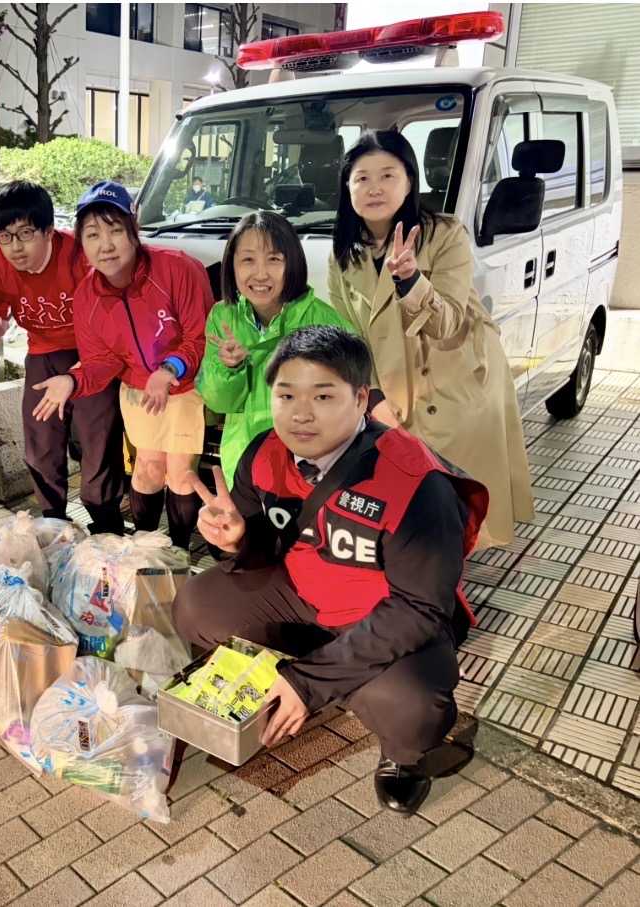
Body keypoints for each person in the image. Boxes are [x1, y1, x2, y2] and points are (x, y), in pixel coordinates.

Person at [172, 325, 488, 816]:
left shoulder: (415, 481)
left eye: (323, 396)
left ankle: (402, 757)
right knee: (196, 605)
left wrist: (309, 683)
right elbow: (263, 549)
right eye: (286, 395)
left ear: (361, 399)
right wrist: (236, 540)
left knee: (414, 705)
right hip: (302, 594)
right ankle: (318, 671)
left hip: (383, 618)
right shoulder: (264, 453)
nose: (301, 413)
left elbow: (419, 609)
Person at [327, 129, 533, 548]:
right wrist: (374, 395)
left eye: (388, 175)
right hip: (392, 389)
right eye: (362, 178)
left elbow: (448, 323)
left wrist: (410, 279)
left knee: (456, 499)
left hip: (453, 381)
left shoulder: (445, 234)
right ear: (347, 188)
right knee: (408, 494)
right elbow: (351, 337)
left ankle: (449, 569)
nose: (374, 188)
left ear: (409, 182)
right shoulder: (344, 252)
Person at [32, 181, 212, 550]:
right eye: (92, 234)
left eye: (115, 230)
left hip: (185, 385)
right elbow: (102, 360)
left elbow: (200, 336)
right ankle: (146, 549)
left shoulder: (179, 268)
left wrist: (169, 370)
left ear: (134, 228)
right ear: (81, 243)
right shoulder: (87, 296)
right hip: (138, 389)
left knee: (180, 472)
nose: (106, 245)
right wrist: (72, 380)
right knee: (147, 468)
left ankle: (178, 551)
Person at [0, 180, 127, 534]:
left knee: (98, 434)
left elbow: (111, 326)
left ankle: (106, 523)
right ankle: (52, 522)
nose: (16, 247)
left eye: (26, 233)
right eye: (6, 236)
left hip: (92, 351)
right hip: (43, 352)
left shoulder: (79, 256)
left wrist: (77, 376)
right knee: (40, 441)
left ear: (49, 231)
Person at [198, 211, 354, 480]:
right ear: (232, 265)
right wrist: (229, 368)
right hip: (243, 465)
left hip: (308, 469)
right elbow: (218, 402)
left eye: (274, 259)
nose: (260, 274)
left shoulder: (324, 322)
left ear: (292, 262)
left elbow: (348, 407)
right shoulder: (223, 316)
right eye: (248, 260)